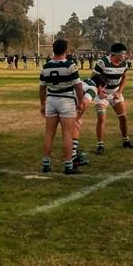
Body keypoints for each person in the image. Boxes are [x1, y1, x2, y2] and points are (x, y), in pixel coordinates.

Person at [39, 39, 87, 174]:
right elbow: (78, 86)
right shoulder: (70, 65)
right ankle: (68, 165)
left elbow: (42, 89)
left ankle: (46, 164)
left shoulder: (45, 67)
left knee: (49, 133)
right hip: (66, 101)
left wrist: (42, 104)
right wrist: (80, 101)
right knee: (67, 134)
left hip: (51, 100)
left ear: (53, 50)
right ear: (65, 50)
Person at [91, 43, 133, 153]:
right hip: (102, 93)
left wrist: (120, 91)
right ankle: (100, 145)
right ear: (115, 54)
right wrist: (100, 91)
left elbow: (124, 77)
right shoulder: (102, 63)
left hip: (115, 92)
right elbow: (93, 77)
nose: (125, 56)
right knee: (101, 116)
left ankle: (126, 140)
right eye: (123, 54)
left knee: (123, 117)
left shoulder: (124, 64)